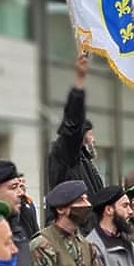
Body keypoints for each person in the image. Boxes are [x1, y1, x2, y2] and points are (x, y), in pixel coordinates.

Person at [48, 53, 104, 196]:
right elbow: (72, 125)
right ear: (82, 135)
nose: (94, 139)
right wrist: (79, 82)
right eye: (91, 134)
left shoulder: (85, 160)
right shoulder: (68, 155)